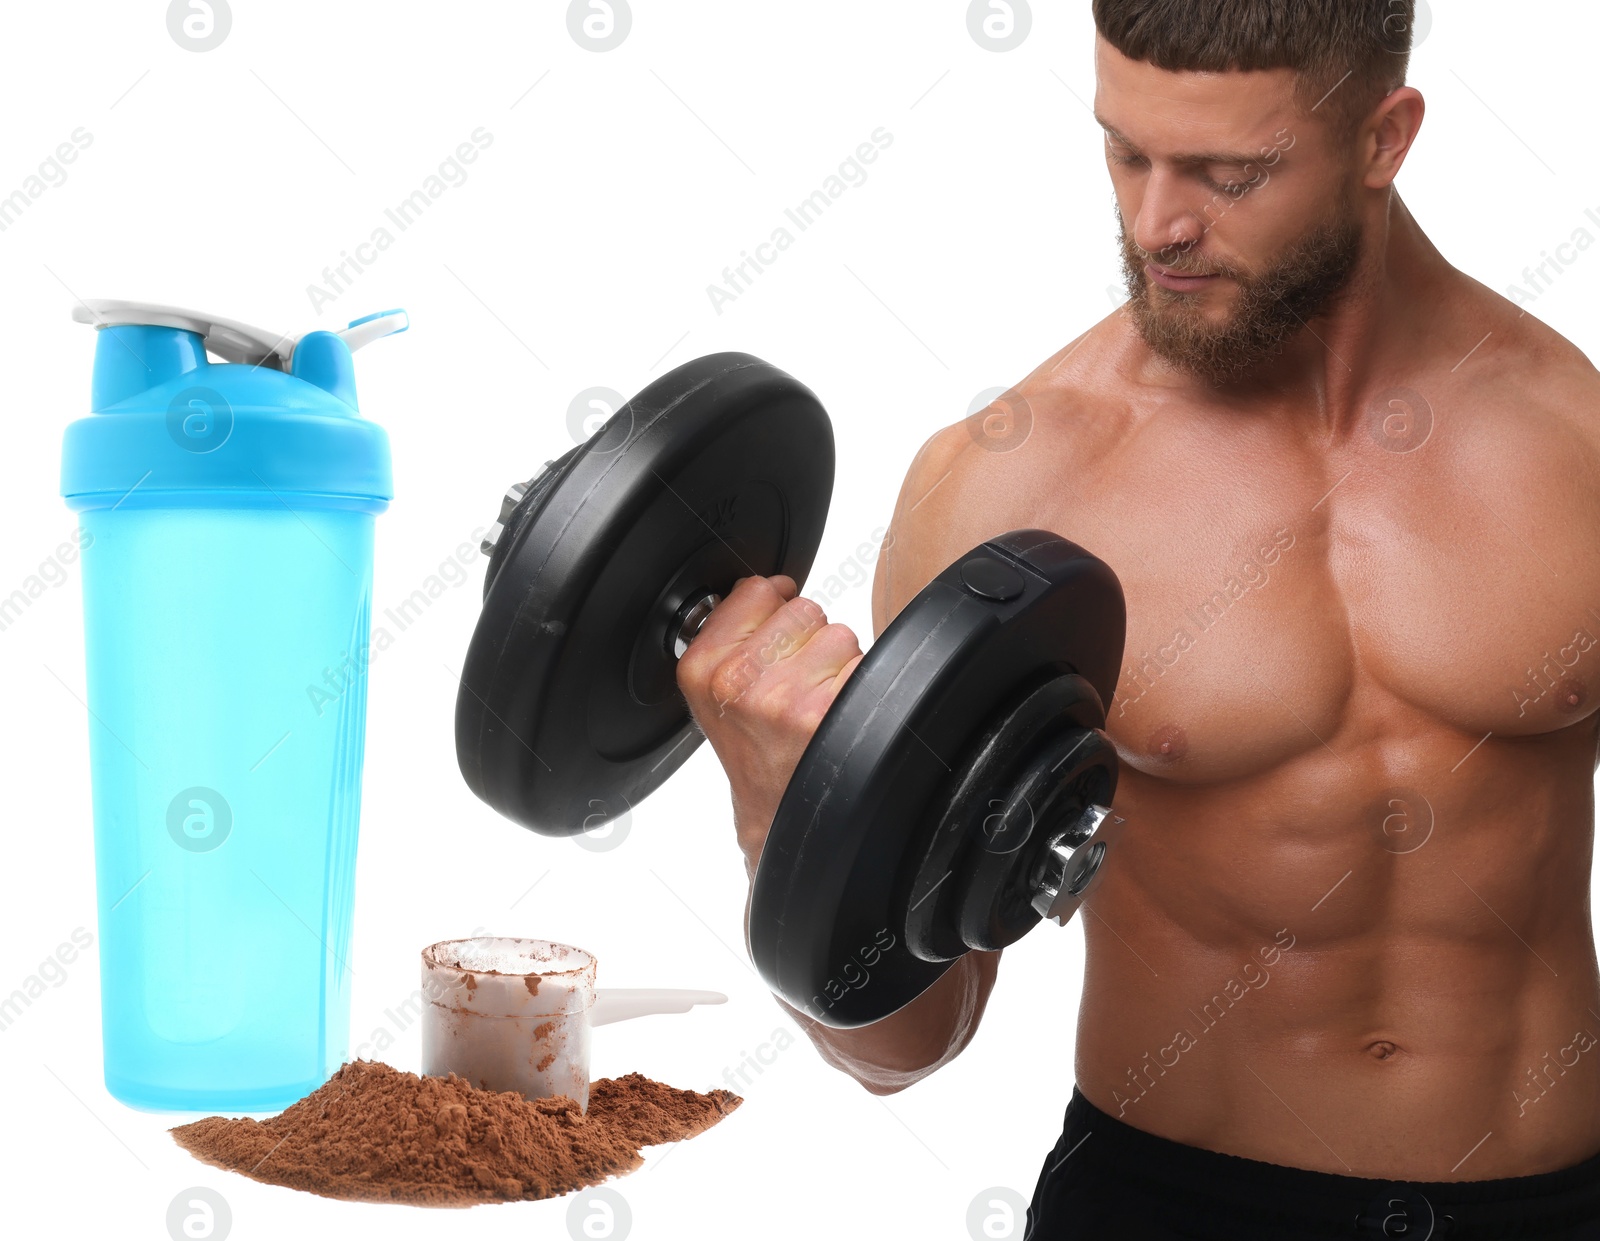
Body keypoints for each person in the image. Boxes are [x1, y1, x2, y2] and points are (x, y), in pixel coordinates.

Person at [675, 1, 1600, 1235]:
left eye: (1230, 174)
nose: (1158, 225)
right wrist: (772, 804)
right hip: (1168, 1199)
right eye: (1126, 152)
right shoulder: (1011, 487)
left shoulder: (1575, 440)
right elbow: (904, 1042)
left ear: (1384, 139)